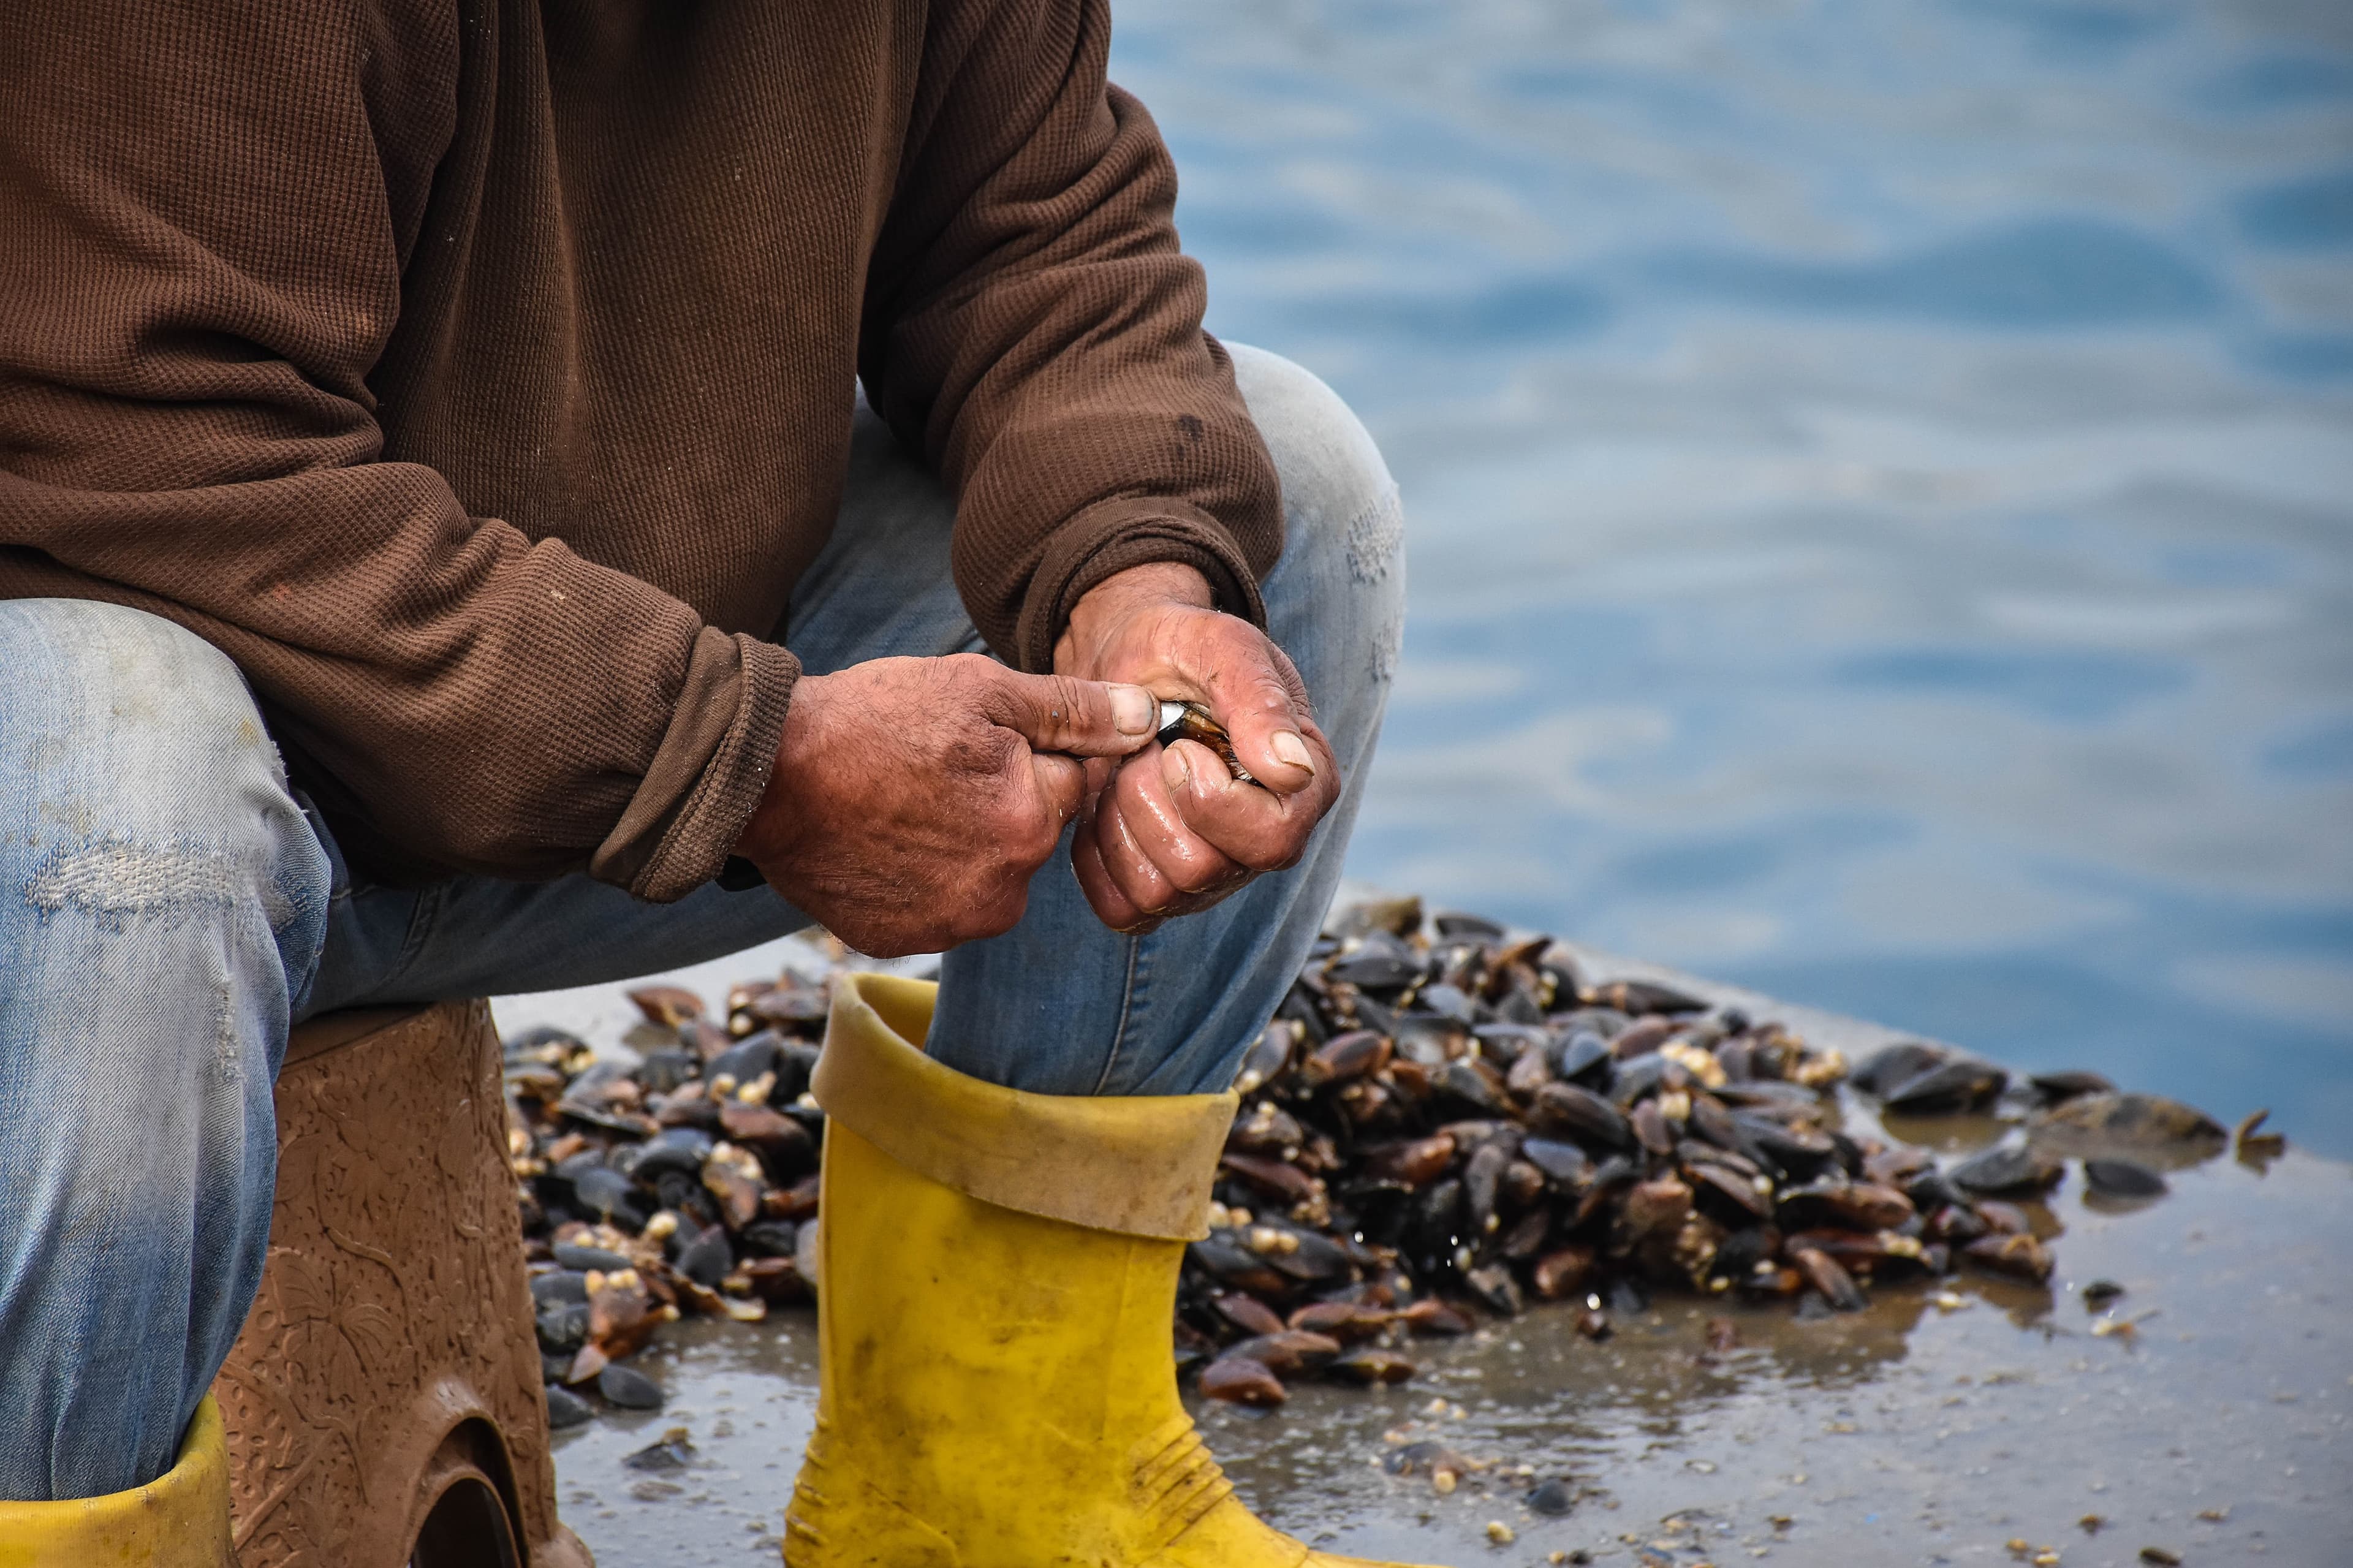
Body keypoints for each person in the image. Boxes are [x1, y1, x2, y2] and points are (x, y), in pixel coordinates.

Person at [0, 2, 1425, 1564]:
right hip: (147, 790)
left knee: (1290, 498)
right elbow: (143, 463)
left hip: (569, 736)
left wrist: (1140, 585)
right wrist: (750, 760)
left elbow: (1040, 260)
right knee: (125, 777)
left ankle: (994, 1485)